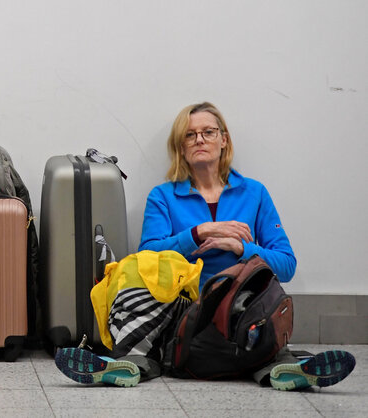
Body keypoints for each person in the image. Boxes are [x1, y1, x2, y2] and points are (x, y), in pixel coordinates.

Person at [56, 102, 355, 391]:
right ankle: (130, 364)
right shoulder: (163, 196)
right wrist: (199, 232)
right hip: (184, 311)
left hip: (239, 309)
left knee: (262, 297)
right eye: (190, 134)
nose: (199, 139)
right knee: (133, 274)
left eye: (208, 132)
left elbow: (286, 264)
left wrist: (241, 249)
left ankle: (284, 370)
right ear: (181, 147)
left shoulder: (254, 193)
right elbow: (147, 255)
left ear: (224, 140)